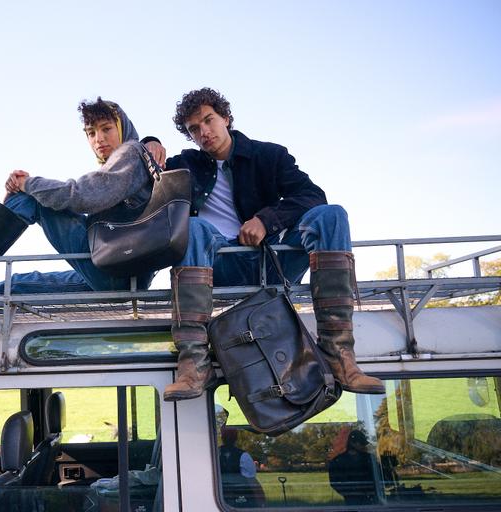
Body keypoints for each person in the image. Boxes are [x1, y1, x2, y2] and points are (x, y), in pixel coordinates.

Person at [144, 87, 385, 401]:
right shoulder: (185, 165)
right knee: (192, 227)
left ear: (225, 118)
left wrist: (266, 219)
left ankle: (338, 353)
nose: (204, 132)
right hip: (218, 267)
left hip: (272, 260)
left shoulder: (269, 155)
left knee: (331, 215)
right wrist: (148, 143)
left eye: (208, 120)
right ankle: (194, 365)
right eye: (194, 129)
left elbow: (312, 196)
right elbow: (140, 177)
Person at [0, 98, 156, 298]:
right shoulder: (124, 162)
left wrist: (27, 185)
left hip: (117, 270)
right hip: (122, 275)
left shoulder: (130, 152)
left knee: (32, 199)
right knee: (29, 282)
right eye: (91, 132)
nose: (99, 139)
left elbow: (80, 196)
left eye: (106, 129)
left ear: (122, 127)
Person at [328, 429, 378, 505]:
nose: (364, 446)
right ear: (352, 443)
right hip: (351, 501)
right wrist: (350, 494)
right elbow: (335, 482)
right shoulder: (338, 461)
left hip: (371, 500)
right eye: (361, 443)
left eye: (364, 444)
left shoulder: (370, 459)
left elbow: (377, 478)